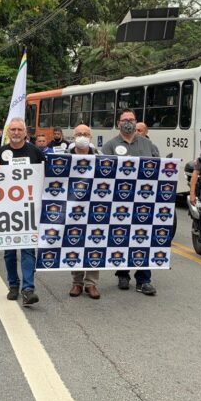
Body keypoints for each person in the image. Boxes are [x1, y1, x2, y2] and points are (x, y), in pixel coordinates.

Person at [0, 118, 45, 306]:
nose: (15, 132)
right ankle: (13, 285)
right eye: (12, 129)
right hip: (6, 210)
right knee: (9, 252)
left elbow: (46, 175)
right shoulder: (0, 152)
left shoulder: (35, 152)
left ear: (25, 132)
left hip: (28, 210)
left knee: (28, 250)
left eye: (19, 129)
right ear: (8, 132)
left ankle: (28, 289)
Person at [102, 109, 158, 295]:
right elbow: (103, 174)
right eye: (124, 120)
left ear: (136, 122)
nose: (128, 122)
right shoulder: (110, 146)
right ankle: (123, 273)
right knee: (121, 238)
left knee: (143, 239)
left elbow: (158, 169)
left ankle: (144, 279)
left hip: (144, 202)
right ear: (118, 123)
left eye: (131, 120)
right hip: (119, 203)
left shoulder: (148, 144)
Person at [68, 124, 101, 299]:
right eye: (79, 134)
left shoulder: (99, 157)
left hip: (94, 207)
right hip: (73, 207)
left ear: (91, 138)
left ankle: (91, 284)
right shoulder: (66, 157)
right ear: (73, 138)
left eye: (86, 134)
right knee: (75, 242)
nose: (82, 136)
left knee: (93, 243)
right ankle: (77, 283)